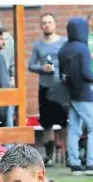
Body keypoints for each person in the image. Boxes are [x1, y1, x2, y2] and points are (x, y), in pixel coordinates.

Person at [58, 17, 93, 175]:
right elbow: (86, 73)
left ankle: (74, 162)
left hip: (69, 94)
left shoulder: (64, 48)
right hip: (85, 94)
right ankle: (91, 163)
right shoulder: (82, 48)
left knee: (74, 128)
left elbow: (61, 74)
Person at [27, 12, 67, 167]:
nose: (47, 25)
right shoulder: (38, 45)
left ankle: (66, 154)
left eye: (49, 22)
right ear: (40, 26)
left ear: (55, 24)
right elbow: (31, 65)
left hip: (61, 87)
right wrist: (42, 68)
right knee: (47, 123)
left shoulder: (63, 42)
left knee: (65, 122)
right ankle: (48, 155)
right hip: (44, 86)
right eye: (44, 23)